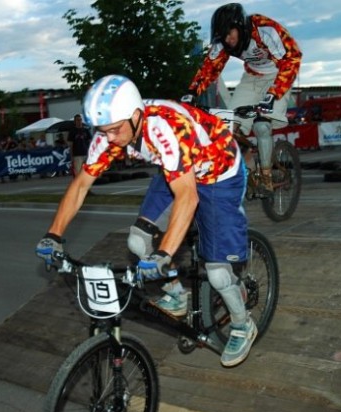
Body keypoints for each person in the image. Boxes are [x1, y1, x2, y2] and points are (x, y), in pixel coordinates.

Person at [35, 75, 256, 367]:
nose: (109, 138)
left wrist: (165, 254)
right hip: (175, 169)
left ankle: (242, 323)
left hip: (218, 173)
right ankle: (177, 295)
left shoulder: (166, 127)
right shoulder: (112, 130)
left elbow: (188, 198)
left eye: (114, 130)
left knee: (216, 272)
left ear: (136, 116)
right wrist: (54, 235)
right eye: (103, 131)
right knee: (138, 241)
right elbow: (80, 186)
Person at [185, 3, 301, 192]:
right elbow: (210, 68)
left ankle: (266, 176)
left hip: (278, 75)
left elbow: (291, 59)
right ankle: (247, 168)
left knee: (262, 124)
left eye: (230, 34)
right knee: (228, 128)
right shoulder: (223, 42)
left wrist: (272, 95)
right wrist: (191, 93)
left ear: (241, 27)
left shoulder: (265, 29)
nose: (228, 40)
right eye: (223, 37)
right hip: (252, 78)